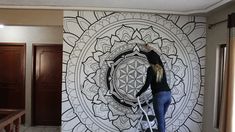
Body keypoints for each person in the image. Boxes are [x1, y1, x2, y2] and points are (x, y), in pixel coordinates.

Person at [136, 44, 171, 132]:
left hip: (159, 97)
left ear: (149, 60)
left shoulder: (151, 69)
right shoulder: (161, 68)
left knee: (160, 121)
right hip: (168, 95)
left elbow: (147, 84)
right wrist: (149, 48)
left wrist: (138, 94)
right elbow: (158, 56)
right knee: (161, 120)